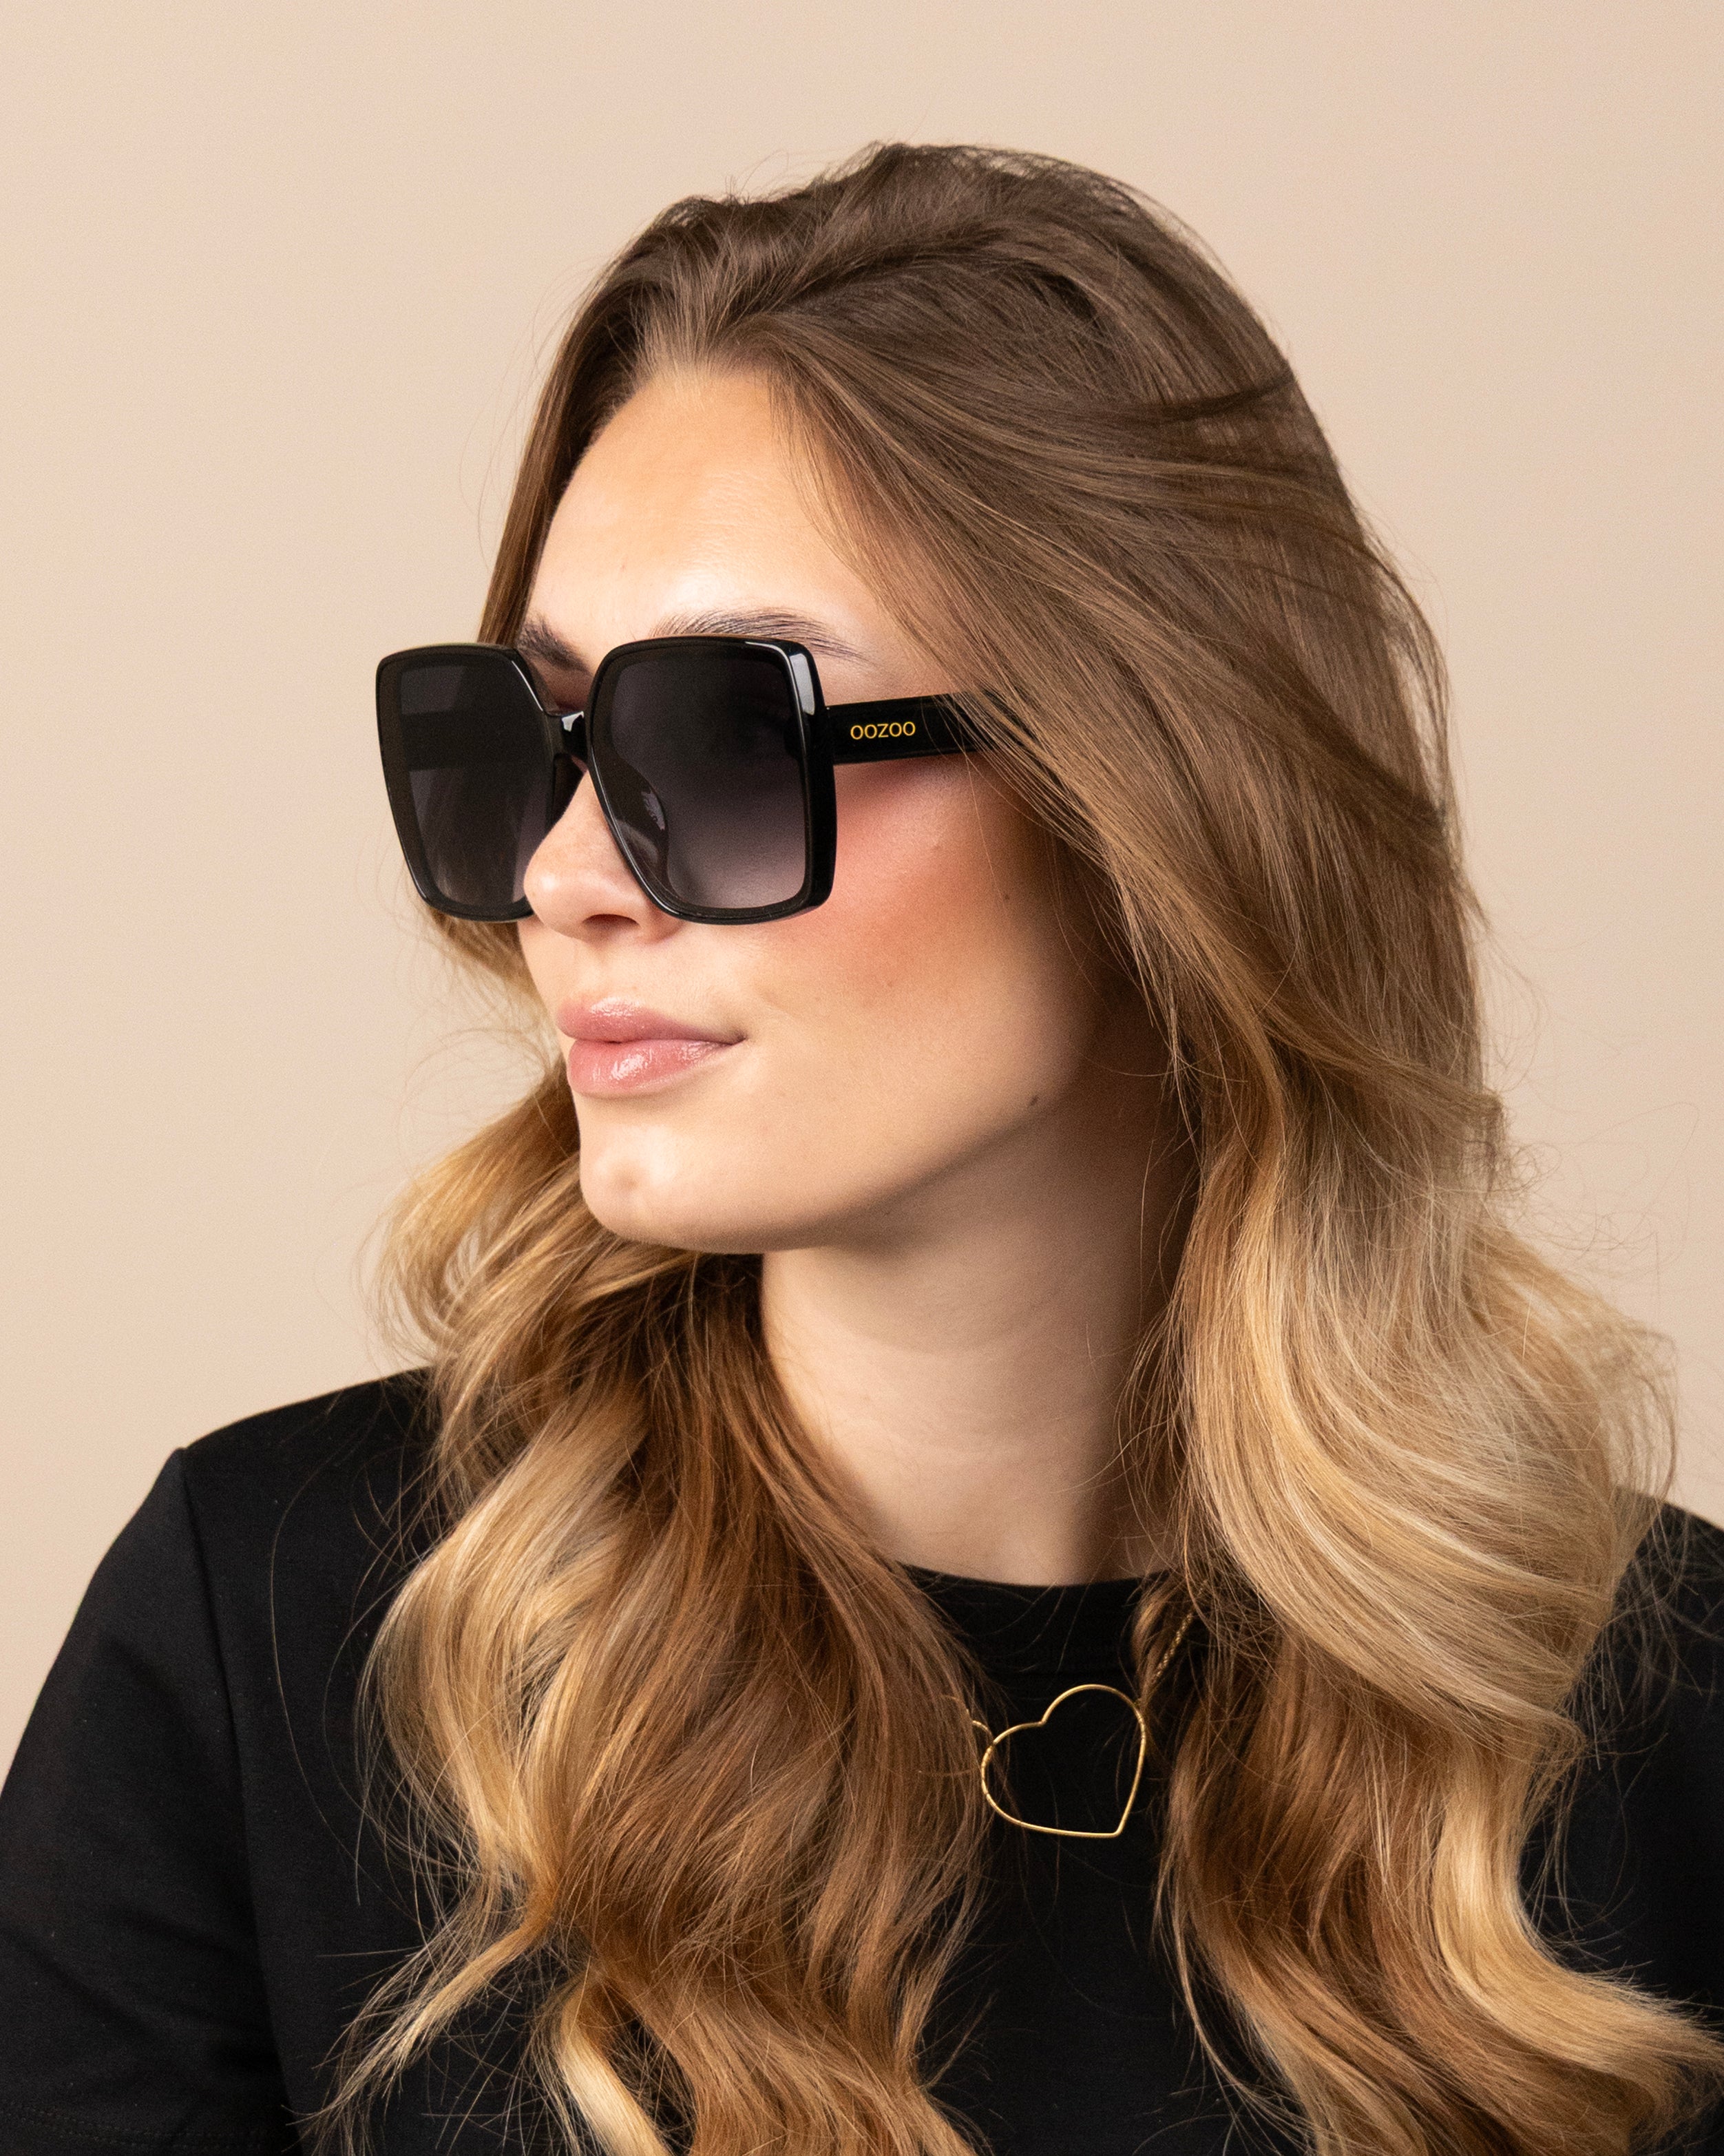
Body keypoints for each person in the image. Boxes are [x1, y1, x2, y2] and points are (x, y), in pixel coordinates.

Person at [1, 141, 1720, 2156]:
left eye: (723, 738)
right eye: (538, 743)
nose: (562, 877)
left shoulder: (1662, 1719)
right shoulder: (280, 1638)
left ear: (1149, 797)